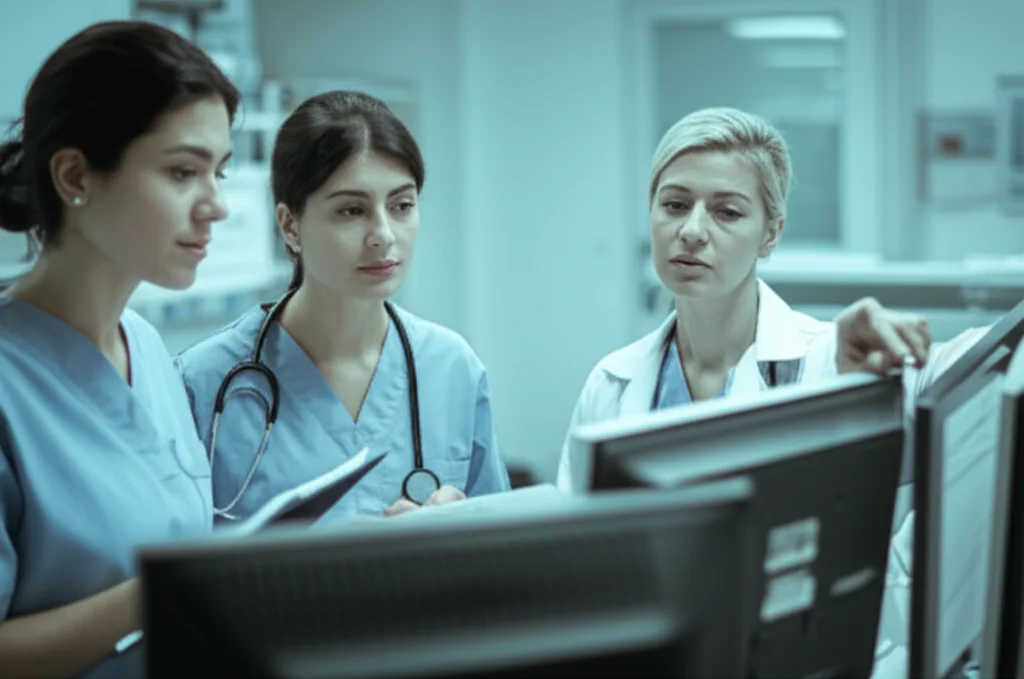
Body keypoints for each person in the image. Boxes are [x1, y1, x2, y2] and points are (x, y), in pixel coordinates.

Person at [553, 107, 989, 679]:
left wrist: (862, 370)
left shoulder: (829, 359)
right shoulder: (612, 383)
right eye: (675, 204)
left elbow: (989, 364)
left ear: (771, 233)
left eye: (727, 211)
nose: (691, 229)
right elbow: (571, 567)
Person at [0, 20, 237, 679]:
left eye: (218, 171)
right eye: (184, 171)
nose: (215, 204)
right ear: (76, 174)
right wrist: (158, 594)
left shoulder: (152, 350)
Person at [175, 90, 511, 524]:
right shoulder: (202, 383)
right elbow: (173, 570)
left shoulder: (451, 369)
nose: (383, 234)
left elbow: (500, 547)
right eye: (352, 211)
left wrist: (459, 532)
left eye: (402, 206)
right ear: (290, 225)